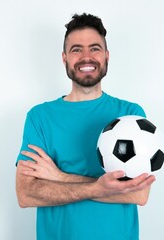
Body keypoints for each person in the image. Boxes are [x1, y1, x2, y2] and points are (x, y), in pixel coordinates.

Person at [16, 13, 156, 240]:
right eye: (76, 49)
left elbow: (138, 194)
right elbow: (26, 194)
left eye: (95, 48)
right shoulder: (39, 117)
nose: (86, 57)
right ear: (64, 58)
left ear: (107, 56)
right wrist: (101, 187)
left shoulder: (130, 115)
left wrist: (59, 177)